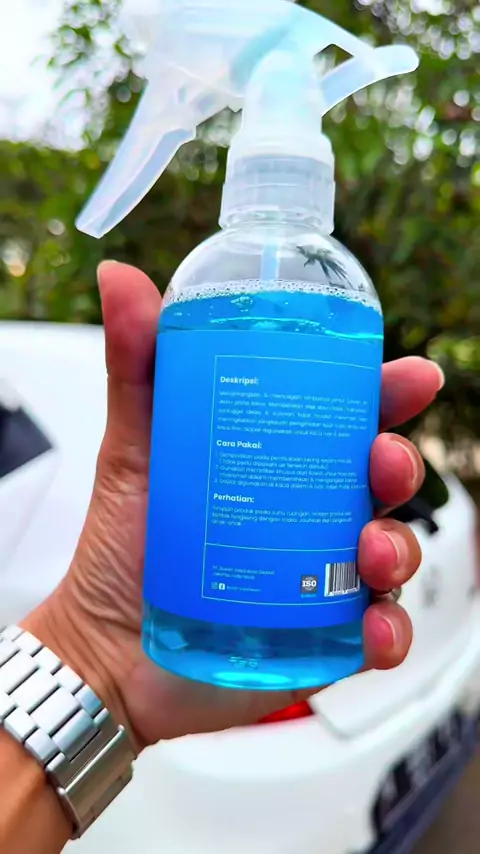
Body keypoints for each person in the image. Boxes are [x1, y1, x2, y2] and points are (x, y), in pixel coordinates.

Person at [0, 262, 445, 854]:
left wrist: (95, 666)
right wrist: (89, 655)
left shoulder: (345, 285)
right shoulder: (209, 280)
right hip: (177, 628)